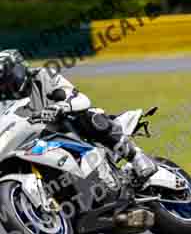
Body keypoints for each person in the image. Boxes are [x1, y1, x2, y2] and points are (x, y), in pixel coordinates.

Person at [0, 49, 156, 182]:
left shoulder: (43, 76)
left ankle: (136, 156)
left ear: (18, 71)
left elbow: (80, 99)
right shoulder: (4, 102)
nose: (4, 87)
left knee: (89, 115)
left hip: (67, 129)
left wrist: (61, 107)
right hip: (34, 144)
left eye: (5, 81)